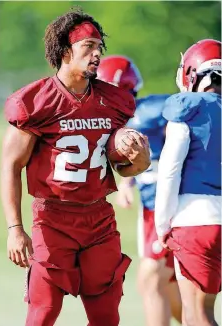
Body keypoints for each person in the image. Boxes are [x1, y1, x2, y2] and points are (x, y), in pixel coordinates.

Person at [1, 8, 151, 326]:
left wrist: (139, 160)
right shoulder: (36, 101)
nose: (97, 53)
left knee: (107, 316)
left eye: (100, 47)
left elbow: (122, 169)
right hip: (53, 219)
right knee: (43, 312)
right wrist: (15, 229)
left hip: (99, 219)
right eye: (88, 46)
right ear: (66, 51)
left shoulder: (114, 100)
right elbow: (11, 166)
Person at [97, 55, 182, 326]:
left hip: (175, 205)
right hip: (151, 209)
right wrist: (126, 183)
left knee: (150, 276)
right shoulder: (107, 125)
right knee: (167, 283)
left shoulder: (151, 110)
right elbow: (137, 161)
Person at [155, 39, 221, 326]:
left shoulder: (188, 108)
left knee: (196, 315)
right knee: (204, 309)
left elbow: (169, 171)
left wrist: (162, 225)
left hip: (195, 219)